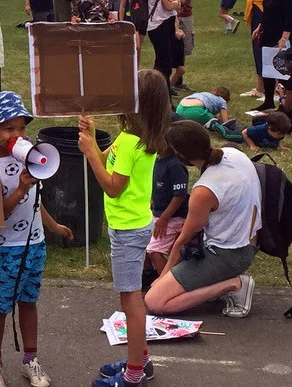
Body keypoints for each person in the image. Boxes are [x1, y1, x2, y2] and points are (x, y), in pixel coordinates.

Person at [79, 69, 171, 387]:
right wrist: (92, 139)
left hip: (129, 230)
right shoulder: (130, 137)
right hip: (128, 226)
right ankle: (140, 362)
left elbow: (113, 186)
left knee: (131, 302)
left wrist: (91, 154)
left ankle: (133, 375)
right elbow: (109, 161)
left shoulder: (133, 142)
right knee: (128, 300)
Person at [0, 91, 74, 387]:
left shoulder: (29, 159)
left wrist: (54, 226)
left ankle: (29, 360)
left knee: (29, 302)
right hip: (5, 247)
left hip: (34, 245)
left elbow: (35, 201)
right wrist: (19, 188)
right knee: (1, 305)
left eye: (21, 128)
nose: (17, 134)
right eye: (8, 128)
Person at [145, 121, 261, 318]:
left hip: (228, 255)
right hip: (250, 241)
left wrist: (162, 276)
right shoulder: (235, 155)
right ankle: (215, 282)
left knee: (155, 301)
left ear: (180, 155)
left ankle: (235, 284)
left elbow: (183, 240)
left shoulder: (204, 190)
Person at [144, 137, 188, 285]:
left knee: (154, 251)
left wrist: (164, 218)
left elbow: (179, 196)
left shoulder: (175, 165)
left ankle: (167, 284)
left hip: (172, 217)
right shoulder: (157, 160)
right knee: (143, 245)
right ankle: (151, 275)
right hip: (157, 212)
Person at [253, 0, 292, 111]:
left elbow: (290, 16)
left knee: (282, 69)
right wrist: (260, 26)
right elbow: (267, 12)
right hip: (268, 33)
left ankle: (284, 101)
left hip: (281, 35)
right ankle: (268, 100)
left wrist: (285, 37)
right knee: (268, 68)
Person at [147, 0, 182, 98]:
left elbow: (178, 6)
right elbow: (170, 6)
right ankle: (162, 96)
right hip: (158, 25)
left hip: (168, 23)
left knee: (165, 63)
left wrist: (175, 4)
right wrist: (175, 3)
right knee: (164, 65)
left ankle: (157, 93)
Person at [175, 88, 241, 139]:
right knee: (213, 120)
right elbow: (225, 122)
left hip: (180, 108)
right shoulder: (222, 101)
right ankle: (212, 125)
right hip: (195, 110)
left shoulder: (204, 94)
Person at [240, 0, 265, 99]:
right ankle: (260, 89)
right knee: (257, 49)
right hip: (257, 6)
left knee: (267, 50)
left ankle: (275, 91)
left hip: (266, 8)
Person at [173, 0, 194, 91]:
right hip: (170, 14)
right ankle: (167, 82)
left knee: (184, 48)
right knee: (167, 49)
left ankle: (177, 81)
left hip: (186, 15)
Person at [120, 0, 145, 66]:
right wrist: (121, 22)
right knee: (137, 47)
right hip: (130, 19)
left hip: (142, 19)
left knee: (139, 49)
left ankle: (136, 70)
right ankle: (131, 68)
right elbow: (122, 5)